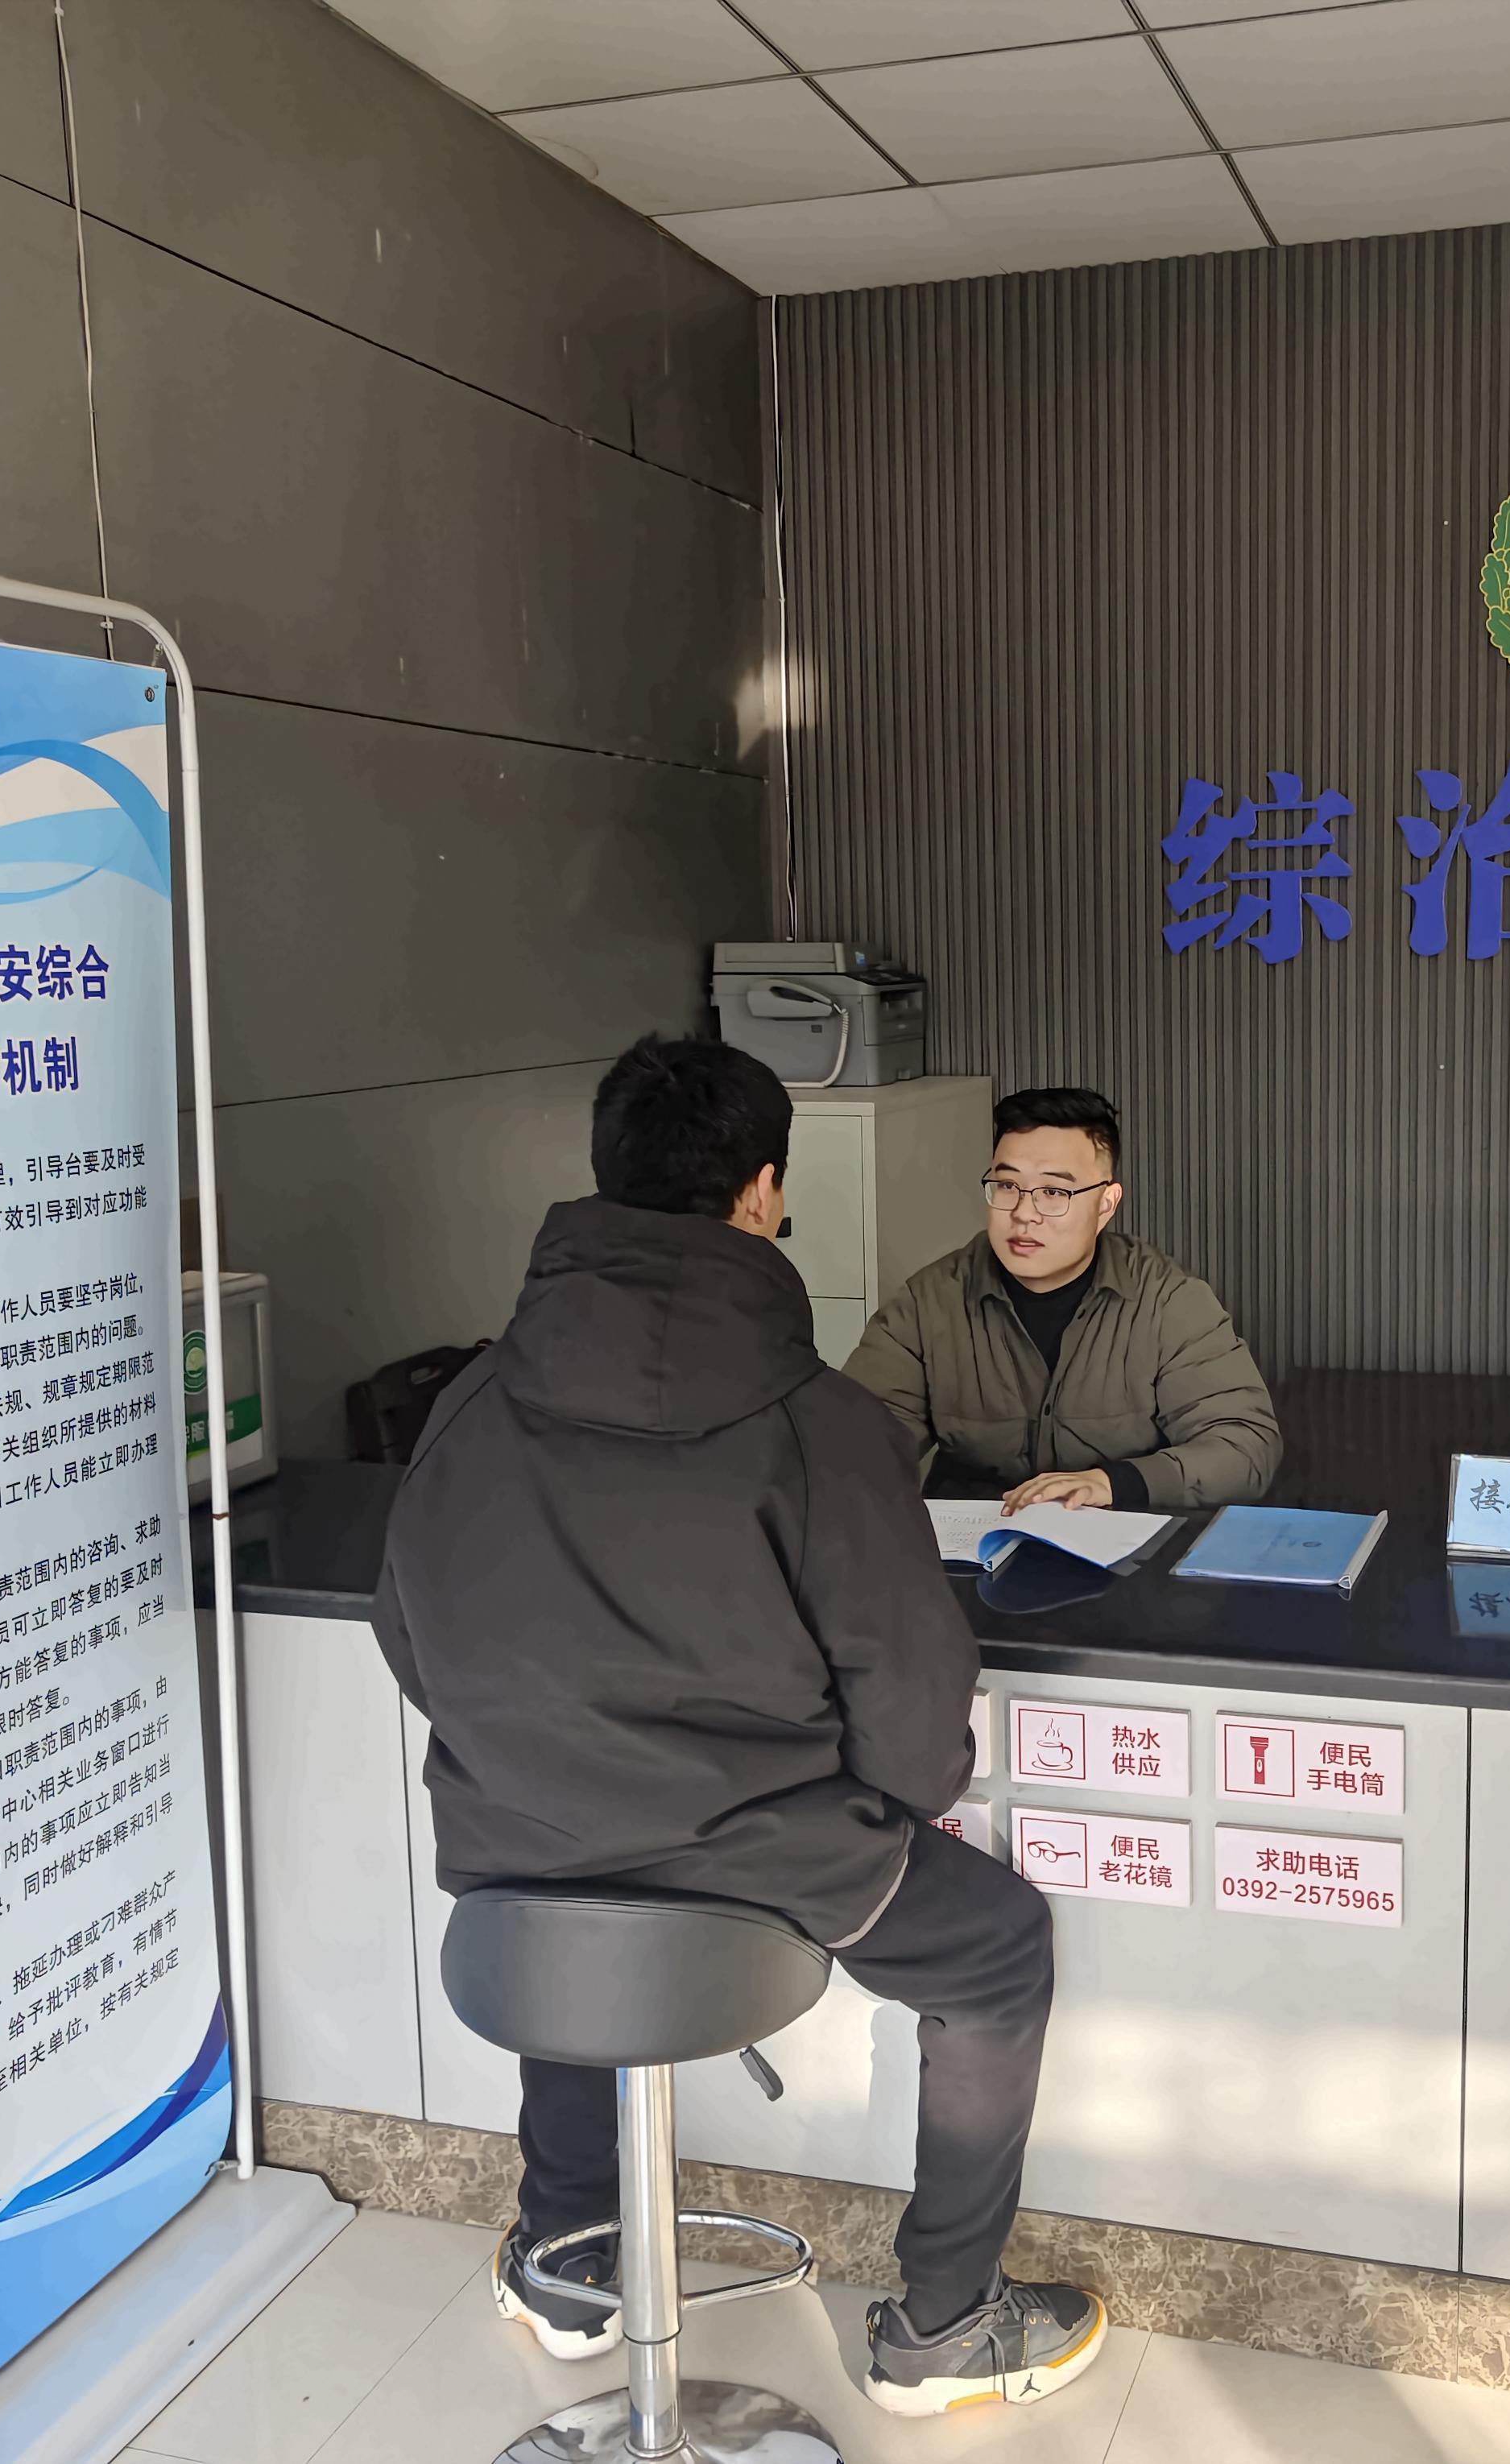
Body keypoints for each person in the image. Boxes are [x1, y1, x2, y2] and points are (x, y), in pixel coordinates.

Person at [370, 1035, 1108, 2417]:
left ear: (602, 1179)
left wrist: (549, 1761)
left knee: (573, 1890)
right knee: (995, 1949)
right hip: (765, 1858)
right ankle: (943, 2327)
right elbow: (915, 1732)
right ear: (763, 1192)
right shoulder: (822, 1424)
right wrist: (880, 1796)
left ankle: (565, 2270)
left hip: (526, 1851)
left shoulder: (471, 1400)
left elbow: (409, 1632)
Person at [846, 1085, 1280, 1511]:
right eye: (1007, 1185)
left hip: (1117, 1540)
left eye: (1054, 1192)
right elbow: (852, 1442)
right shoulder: (928, 1302)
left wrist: (1113, 1483)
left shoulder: (1167, 1302)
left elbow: (1245, 1447)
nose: (1023, 1213)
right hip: (970, 1545)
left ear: (1106, 1204)